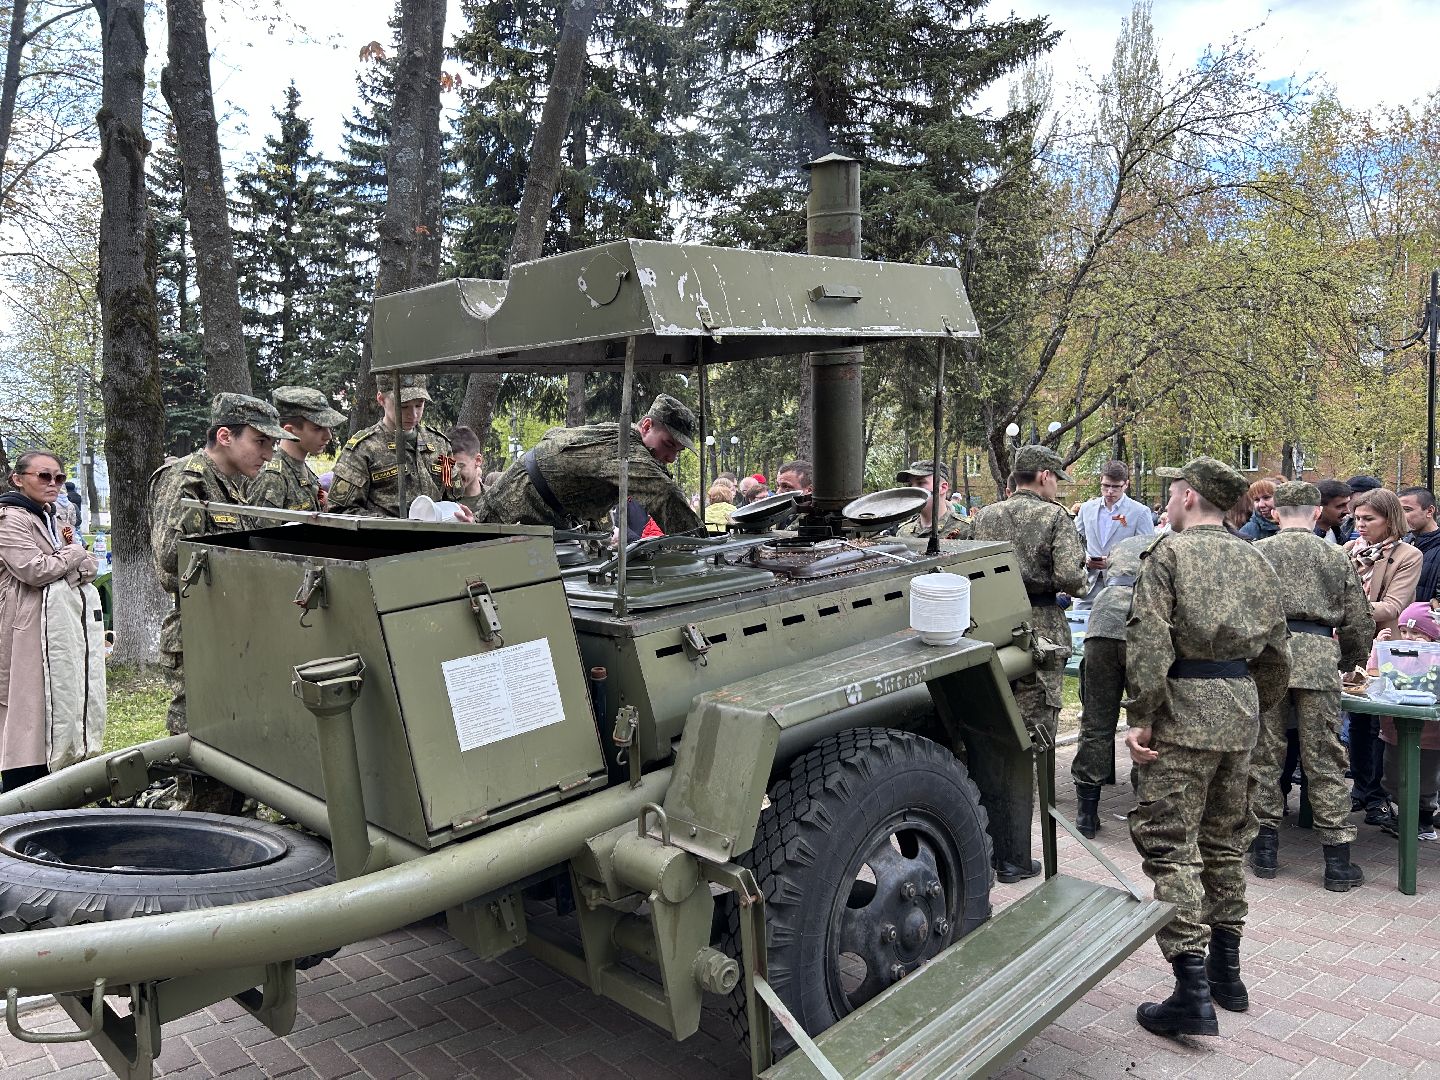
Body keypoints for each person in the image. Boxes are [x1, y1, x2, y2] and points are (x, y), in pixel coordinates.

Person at [1125, 456, 1289, 1037]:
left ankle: (1191, 989)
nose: (1168, 502)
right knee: (1225, 840)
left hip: (1182, 711)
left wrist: (1142, 715)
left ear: (1190, 496)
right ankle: (1228, 974)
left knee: (1170, 844)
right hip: (1239, 709)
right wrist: (1250, 703)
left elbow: (1149, 640)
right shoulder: (1256, 558)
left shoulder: (1168, 554)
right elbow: (1277, 652)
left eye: (1172, 493)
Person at [1246, 482, 1374, 890]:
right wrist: (1351, 662)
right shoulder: (1335, 556)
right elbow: (1358, 620)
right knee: (1325, 756)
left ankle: (1264, 848)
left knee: (1265, 754)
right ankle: (1337, 859)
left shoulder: (1258, 552)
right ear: (1317, 512)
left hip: (1270, 656)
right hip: (1318, 658)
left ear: (1276, 513)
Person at [972, 444, 1086, 881]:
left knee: (992, 734)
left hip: (992, 627)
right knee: (1034, 738)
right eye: (1056, 479)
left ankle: (986, 845)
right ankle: (1016, 855)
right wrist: (1084, 575)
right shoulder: (1055, 517)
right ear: (1043, 476)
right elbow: (1071, 577)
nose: (1057, 486)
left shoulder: (985, 516)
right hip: (1040, 630)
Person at [150, 394, 295, 733]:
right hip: (199, 632)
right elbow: (171, 563)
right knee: (200, 736)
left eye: (272, 444)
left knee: (234, 732)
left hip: (231, 627)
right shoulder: (188, 479)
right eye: (260, 441)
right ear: (225, 436)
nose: (268, 454)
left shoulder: (229, 484)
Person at [0, 452, 102, 791]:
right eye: (44, 476)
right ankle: (20, 790)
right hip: (23, 627)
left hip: (58, 626)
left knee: (59, 699)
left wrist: (70, 562)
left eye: (59, 477)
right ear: (18, 479)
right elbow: (35, 570)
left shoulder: (52, 516)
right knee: (26, 707)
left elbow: (90, 566)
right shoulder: (10, 519)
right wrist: (73, 556)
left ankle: (52, 780)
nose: (54, 484)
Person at [478, 394, 703, 536]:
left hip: (541, 515)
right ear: (646, 426)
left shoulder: (618, 438)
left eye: (678, 451)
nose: (671, 458)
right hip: (513, 509)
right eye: (668, 444)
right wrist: (700, 547)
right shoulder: (625, 448)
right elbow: (664, 492)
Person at [1344, 487, 1421, 822]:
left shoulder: (1408, 555)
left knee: (1379, 722)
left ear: (1389, 519)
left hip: (1384, 645)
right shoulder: (1349, 549)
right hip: (1349, 644)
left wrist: (1343, 610)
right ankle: (1361, 789)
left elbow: (1392, 606)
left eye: (1368, 518)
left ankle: (1376, 795)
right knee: (1356, 721)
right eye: (1357, 518)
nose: (1360, 525)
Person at [1070, 535, 1153, 837]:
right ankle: (1146, 806)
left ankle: (1086, 814)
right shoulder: (1165, 544)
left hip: (1102, 623)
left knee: (1096, 722)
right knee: (1146, 719)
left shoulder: (1121, 546)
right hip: (1142, 624)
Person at [329, 375, 460, 518]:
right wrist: (392, 524)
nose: (413, 414)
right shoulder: (364, 449)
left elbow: (456, 498)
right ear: (381, 399)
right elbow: (339, 511)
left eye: (419, 405)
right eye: (403, 406)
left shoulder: (440, 444)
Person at [1370, 603, 1440, 842]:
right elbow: (1376, 674)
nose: (1409, 638)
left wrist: (1430, 652)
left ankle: (1424, 819)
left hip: (1429, 736)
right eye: (1404, 632)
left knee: (1426, 779)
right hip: (1394, 730)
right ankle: (1404, 817)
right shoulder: (1397, 656)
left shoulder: (1435, 658)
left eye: (1417, 633)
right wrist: (1379, 648)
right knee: (1393, 776)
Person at [247, 386, 347, 513]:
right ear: (289, 431)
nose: (328, 436)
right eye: (317, 428)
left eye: (328, 428)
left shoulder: (301, 468)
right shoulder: (272, 478)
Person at [1074, 461, 1154, 591]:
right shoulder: (1086, 508)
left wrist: (1114, 561)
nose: (1110, 491)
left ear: (1126, 484)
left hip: (1122, 586)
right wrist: (1085, 557)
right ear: (1100, 480)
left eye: (1116, 487)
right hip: (1088, 583)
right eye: (1106, 485)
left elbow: (1146, 552)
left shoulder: (1140, 512)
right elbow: (1075, 540)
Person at [895, 460, 972, 541]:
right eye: (910, 485)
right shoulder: (903, 533)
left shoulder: (966, 530)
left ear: (943, 488)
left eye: (920, 483)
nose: (913, 489)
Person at [1398, 486, 1440, 604]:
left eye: (1407, 510)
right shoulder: (1402, 543)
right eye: (1398, 511)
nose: (1400, 516)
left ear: (1429, 511)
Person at [447, 426, 488, 516]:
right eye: (449, 467)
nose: (453, 473)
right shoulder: (440, 502)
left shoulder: (494, 501)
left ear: (478, 460)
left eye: (460, 466)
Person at [1314, 479, 1351, 545]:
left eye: (1347, 504)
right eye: (1340, 506)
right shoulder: (1306, 538)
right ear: (1320, 508)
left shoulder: (1338, 534)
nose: (1348, 511)